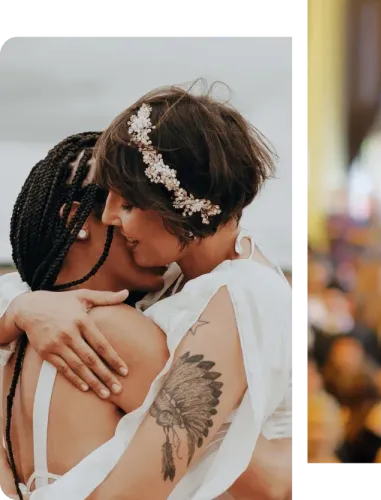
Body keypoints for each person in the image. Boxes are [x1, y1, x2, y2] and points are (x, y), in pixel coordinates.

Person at [0, 86, 293, 499]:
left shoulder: (239, 295)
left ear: (175, 202)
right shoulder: (182, 278)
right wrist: (22, 308)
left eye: (127, 203)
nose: (109, 216)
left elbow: (139, 489)